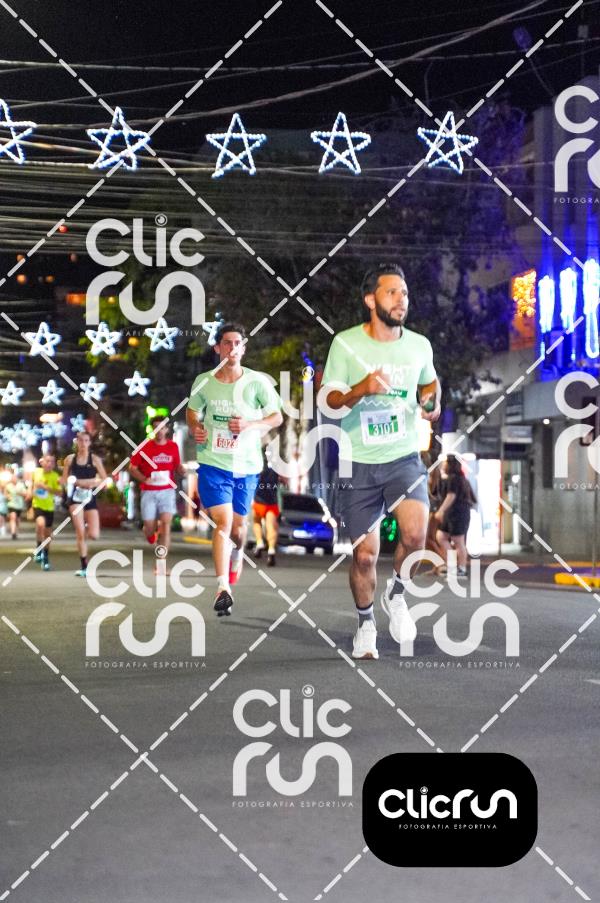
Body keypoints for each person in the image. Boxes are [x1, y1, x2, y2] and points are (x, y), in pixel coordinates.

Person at [322, 262, 441, 660]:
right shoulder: (345, 344)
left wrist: (432, 402)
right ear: (371, 300)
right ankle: (366, 624)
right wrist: (361, 388)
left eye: (404, 293)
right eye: (392, 292)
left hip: (403, 457)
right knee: (365, 555)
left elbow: (429, 383)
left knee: (415, 536)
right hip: (358, 462)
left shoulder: (419, 345)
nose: (401, 300)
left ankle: (397, 593)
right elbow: (328, 401)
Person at [186, 322, 283, 616]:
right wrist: (195, 427)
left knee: (239, 531)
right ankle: (222, 588)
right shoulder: (204, 381)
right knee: (223, 524)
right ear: (218, 348)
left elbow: (276, 417)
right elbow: (192, 412)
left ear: (243, 348)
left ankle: (238, 553)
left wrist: (250, 424)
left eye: (237, 343)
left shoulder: (256, 382)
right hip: (213, 464)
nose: (232, 348)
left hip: (246, 467)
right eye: (227, 343)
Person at [129, 415, 186, 574]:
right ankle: (149, 533)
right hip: (149, 492)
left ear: (167, 429)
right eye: (156, 428)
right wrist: (144, 479)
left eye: (162, 428)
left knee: (165, 525)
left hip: (167, 491)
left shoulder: (173, 446)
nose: (159, 431)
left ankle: (161, 564)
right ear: (152, 429)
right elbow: (132, 468)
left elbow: (177, 466)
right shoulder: (145, 447)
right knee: (150, 528)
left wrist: (181, 470)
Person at [62, 431, 107, 577]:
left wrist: (89, 483)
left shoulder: (94, 459)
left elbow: (104, 481)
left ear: (89, 443)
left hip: (90, 498)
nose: (83, 443)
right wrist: (66, 483)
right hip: (75, 499)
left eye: (86, 440)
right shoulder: (70, 459)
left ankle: (87, 527)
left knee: (94, 535)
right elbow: (64, 479)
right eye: (80, 440)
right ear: (77, 442)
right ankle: (84, 566)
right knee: (80, 532)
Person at [435, 455, 476, 577]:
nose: (443, 465)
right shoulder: (460, 479)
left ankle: (462, 568)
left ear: (450, 465)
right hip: (453, 513)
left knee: (458, 541)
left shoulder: (455, 479)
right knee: (441, 536)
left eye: (445, 463)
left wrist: (441, 510)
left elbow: (451, 496)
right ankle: (452, 565)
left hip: (458, 513)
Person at [29, 454, 62, 570]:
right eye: (47, 461)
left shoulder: (55, 476)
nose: (49, 464)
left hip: (49, 508)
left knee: (48, 534)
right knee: (40, 525)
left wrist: (46, 487)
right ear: (42, 462)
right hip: (37, 505)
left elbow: (60, 493)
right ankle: (38, 549)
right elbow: (32, 484)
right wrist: (30, 492)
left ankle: (46, 556)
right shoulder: (36, 472)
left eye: (52, 462)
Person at [252, 459, 282, 567]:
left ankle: (259, 542)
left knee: (256, 522)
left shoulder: (257, 464)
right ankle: (271, 550)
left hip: (258, 501)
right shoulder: (278, 467)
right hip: (272, 502)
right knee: (271, 527)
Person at [5, 470, 27, 540]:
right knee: (13, 517)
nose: (13, 479)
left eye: (14, 478)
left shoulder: (21, 485)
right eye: (12, 478)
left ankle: (16, 531)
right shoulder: (8, 485)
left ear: (17, 478)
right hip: (11, 504)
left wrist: (20, 493)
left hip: (19, 505)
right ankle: (13, 533)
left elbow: (25, 494)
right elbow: (5, 494)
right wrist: (7, 496)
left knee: (17, 519)